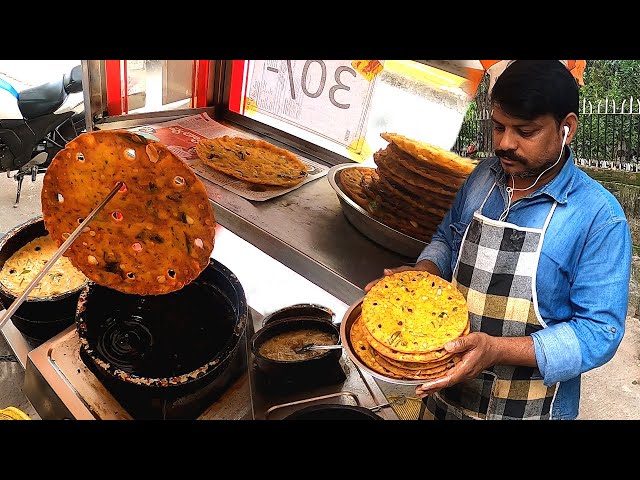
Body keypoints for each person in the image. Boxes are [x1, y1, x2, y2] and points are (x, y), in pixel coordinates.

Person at [365, 60, 632, 420]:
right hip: (444, 395)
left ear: (566, 128)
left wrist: (497, 350)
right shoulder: (482, 179)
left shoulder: (599, 217)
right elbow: (448, 238)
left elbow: (600, 333)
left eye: (525, 131)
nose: (505, 144)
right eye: (498, 127)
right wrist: (421, 275)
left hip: (529, 409)